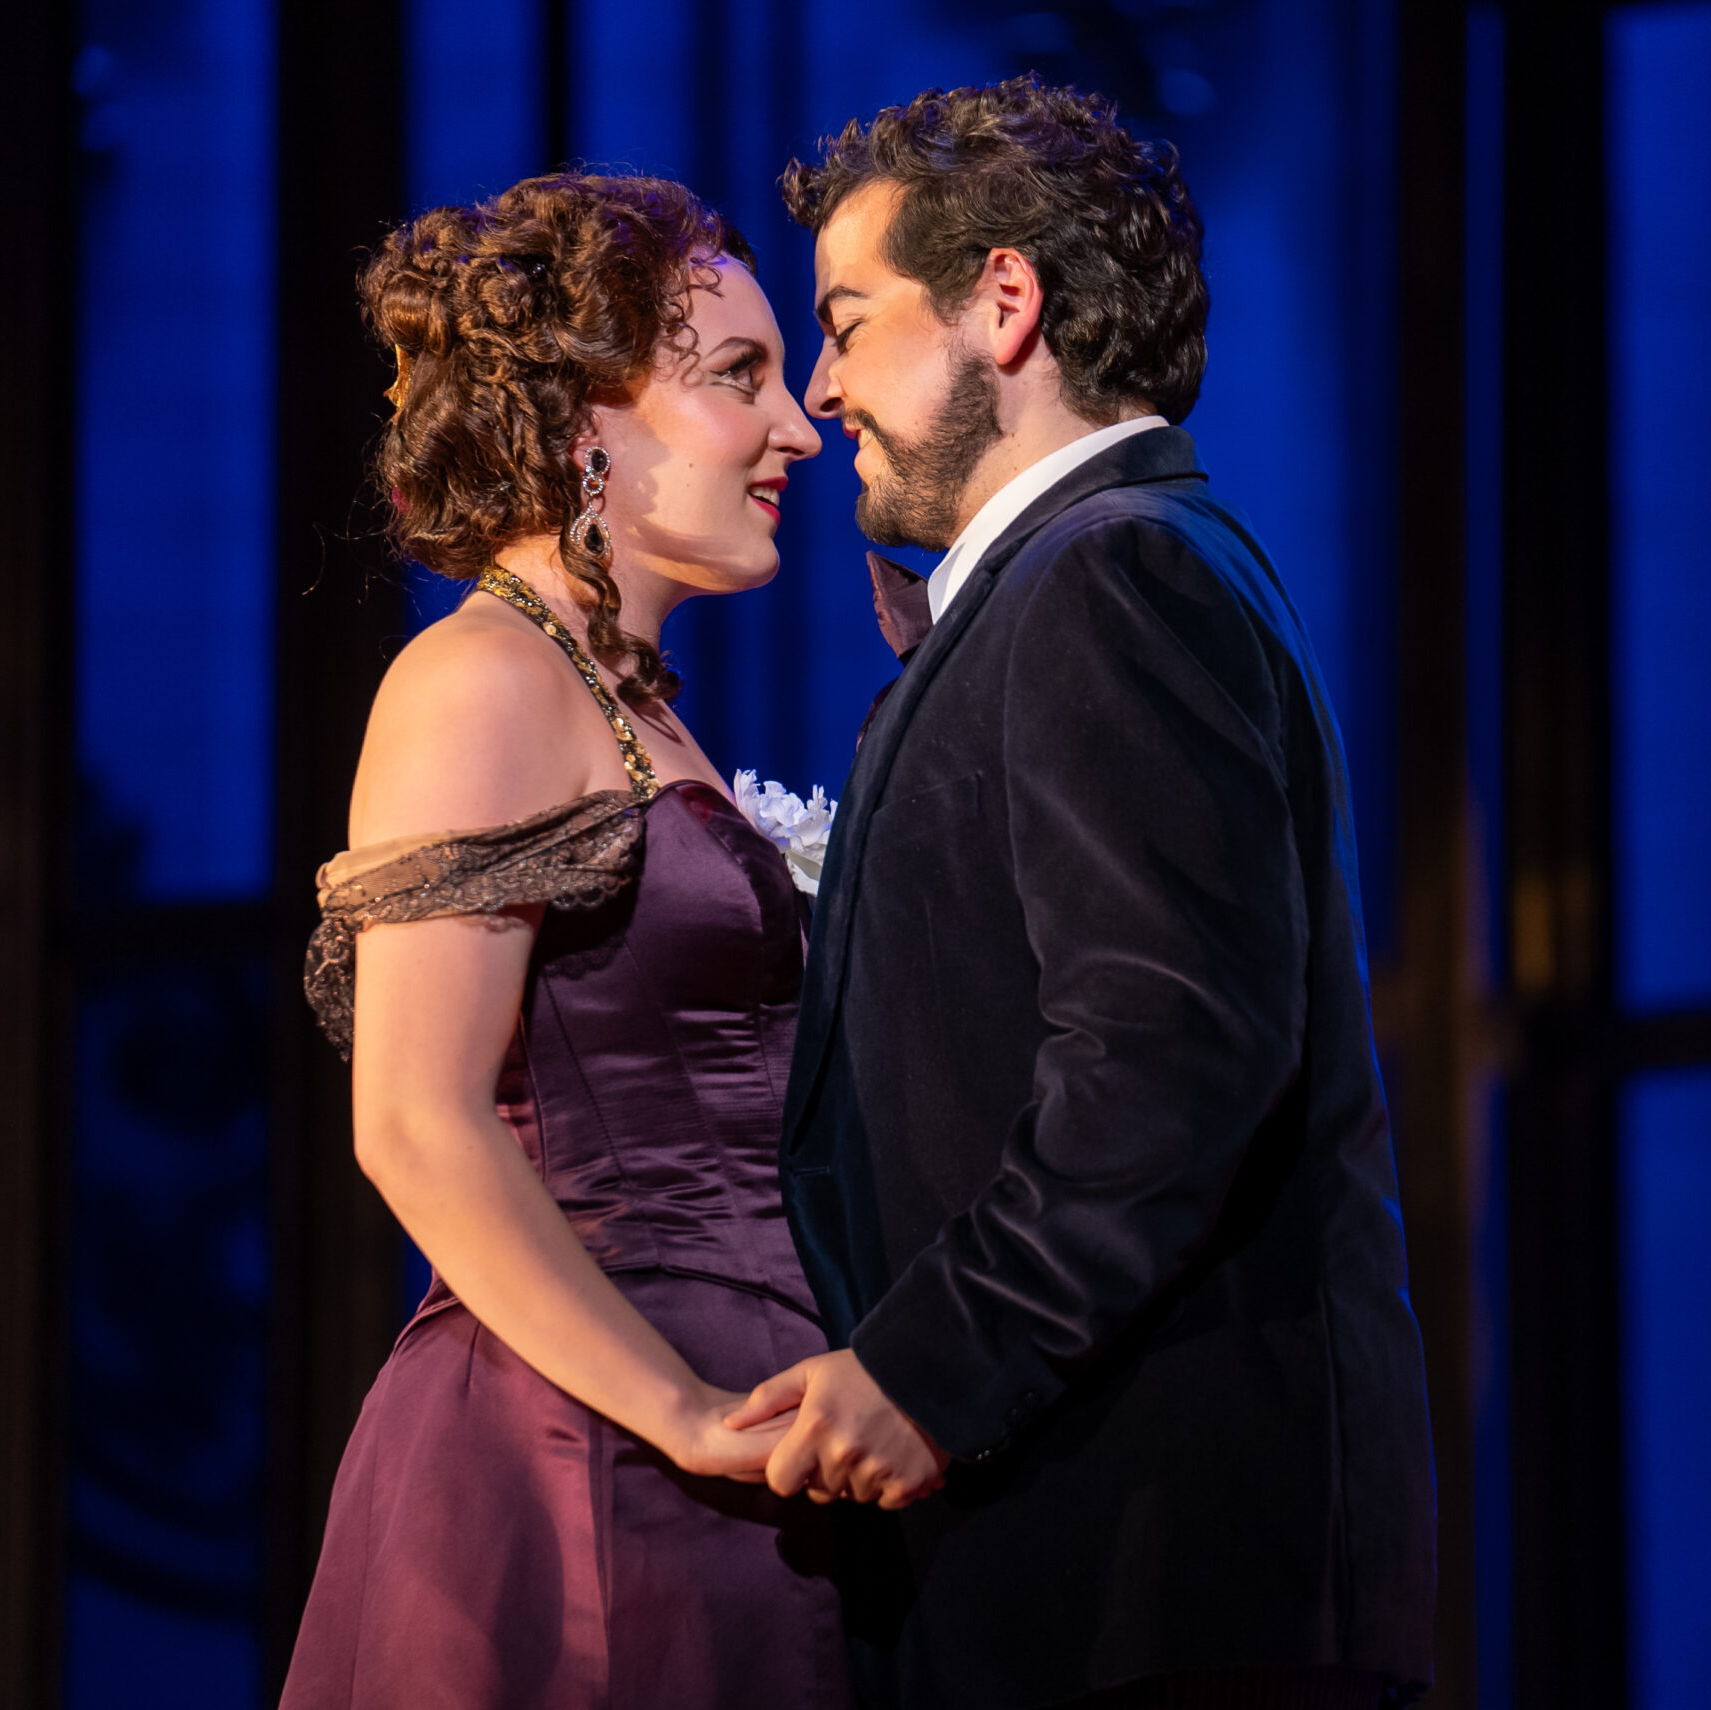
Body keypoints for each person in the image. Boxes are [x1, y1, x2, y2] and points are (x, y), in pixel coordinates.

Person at [727, 77, 1440, 1708]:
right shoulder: (1112, 566)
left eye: (844, 321)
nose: (822, 385)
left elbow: (1167, 1059)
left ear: (1004, 302)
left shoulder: (1111, 574)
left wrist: (924, 1369)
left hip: (1163, 1560)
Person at [279, 173, 843, 1710]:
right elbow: (413, 1115)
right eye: (740, 377)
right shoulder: (478, 678)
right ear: (588, 420)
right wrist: (674, 1402)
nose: (800, 428)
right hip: (578, 1435)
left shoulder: (626, 697)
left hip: (725, 1432)